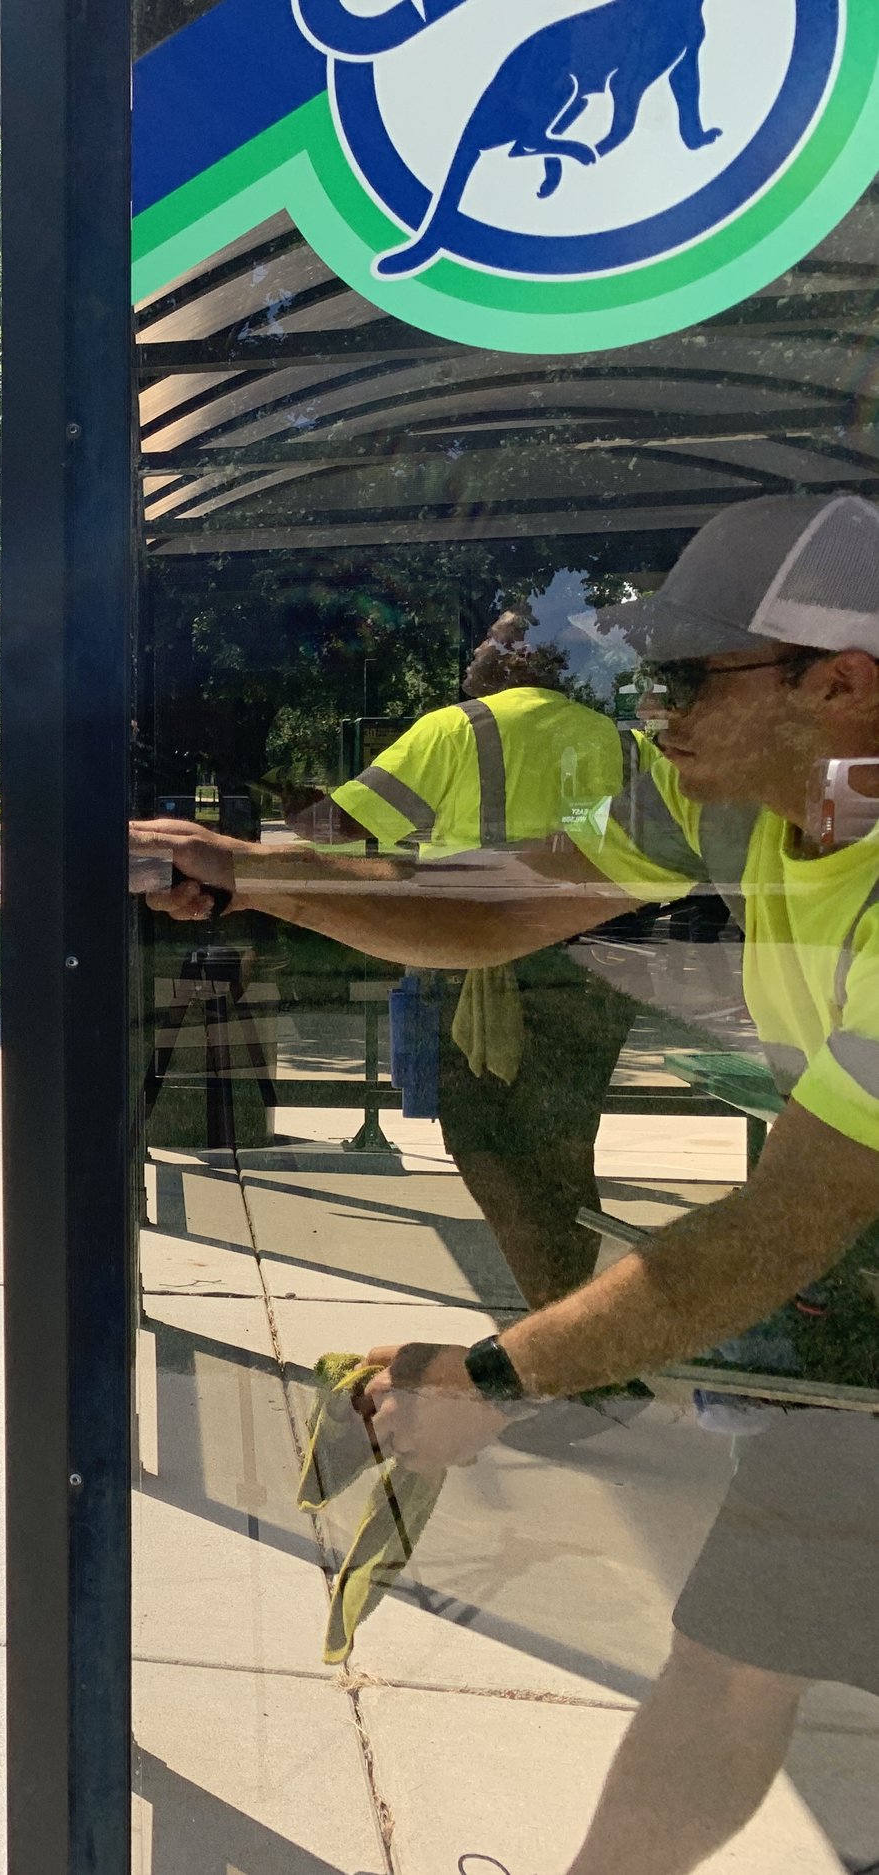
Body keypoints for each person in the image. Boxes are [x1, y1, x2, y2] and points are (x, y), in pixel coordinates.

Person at [137, 493, 879, 1875]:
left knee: (735, 1660)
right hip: (862, 1353)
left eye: (692, 676)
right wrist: (251, 876)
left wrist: (490, 1374)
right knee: (730, 1663)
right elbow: (491, 897)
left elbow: (793, 1218)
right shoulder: (740, 802)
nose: (653, 705)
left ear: (841, 685)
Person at [313, 608, 640, 1309]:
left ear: (523, 657)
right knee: (563, 1146)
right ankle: (582, 1318)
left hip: (479, 966)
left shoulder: (455, 728)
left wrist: (273, 811)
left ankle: (560, 1328)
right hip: (595, 974)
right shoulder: (618, 741)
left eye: (491, 639)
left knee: (484, 1141)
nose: (474, 651)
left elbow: (341, 832)